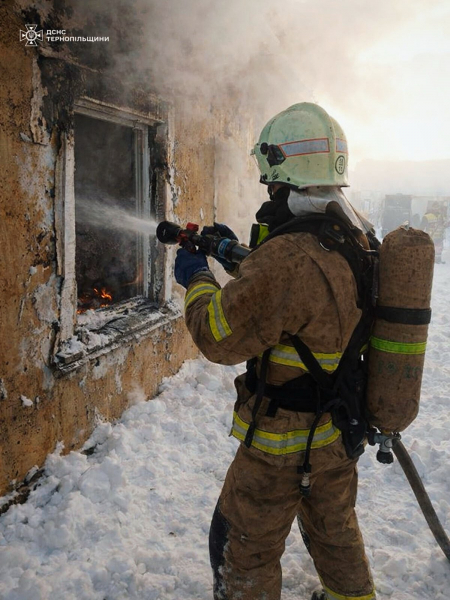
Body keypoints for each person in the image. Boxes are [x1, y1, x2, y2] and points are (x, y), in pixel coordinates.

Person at [174, 103, 377, 600]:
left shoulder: (288, 258)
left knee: (243, 549)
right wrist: (239, 258)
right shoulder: (356, 234)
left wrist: (198, 278)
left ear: (284, 176)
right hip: (339, 428)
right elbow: (299, 301)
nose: (268, 191)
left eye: (270, 182)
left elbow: (218, 336)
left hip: (282, 443)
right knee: (334, 534)